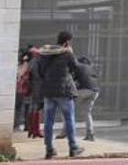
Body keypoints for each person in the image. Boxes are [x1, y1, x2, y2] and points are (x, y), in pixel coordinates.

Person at [32, 31, 92, 159]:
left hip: (48, 92)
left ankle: (49, 150)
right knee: (69, 118)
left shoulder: (44, 53)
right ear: (67, 42)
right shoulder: (67, 53)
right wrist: (71, 53)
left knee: (48, 120)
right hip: (64, 91)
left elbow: (40, 72)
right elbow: (76, 68)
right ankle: (73, 148)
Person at [58, 55, 99, 142]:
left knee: (66, 108)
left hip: (84, 91)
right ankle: (90, 134)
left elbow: (70, 80)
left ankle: (64, 132)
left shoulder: (77, 67)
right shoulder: (90, 68)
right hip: (95, 92)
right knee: (87, 113)